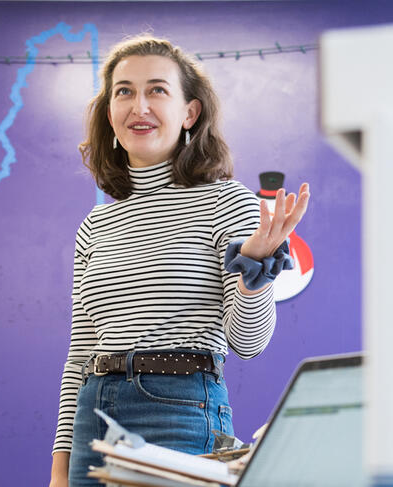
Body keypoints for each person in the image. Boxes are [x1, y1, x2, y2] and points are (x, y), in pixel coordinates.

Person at [49, 35, 309, 487]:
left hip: (182, 411)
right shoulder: (95, 224)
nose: (139, 105)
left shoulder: (228, 202)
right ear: (109, 113)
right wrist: (60, 469)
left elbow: (248, 344)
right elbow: (80, 353)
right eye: (124, 91)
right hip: (92, 416)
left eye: (157, 90)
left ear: (190, 112)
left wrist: (253, 277)